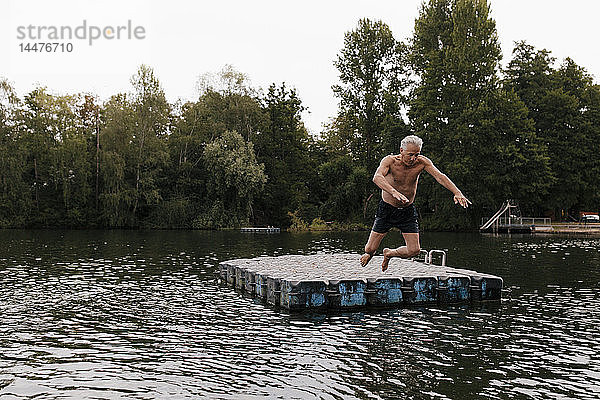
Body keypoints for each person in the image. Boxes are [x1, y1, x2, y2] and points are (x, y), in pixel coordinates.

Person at [360, 135, 471, 271]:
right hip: (387, 210)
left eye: (416, 155)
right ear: (401, 150)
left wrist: (457, 192)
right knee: (370, 249)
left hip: (407, 211)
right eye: (410, 155)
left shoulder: (422, 162)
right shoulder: (390, 161)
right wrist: (393, 192)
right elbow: (377, 177)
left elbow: (440, 176)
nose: (413, 159)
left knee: (414, 251)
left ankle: (389, 253)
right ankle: (370, 254)